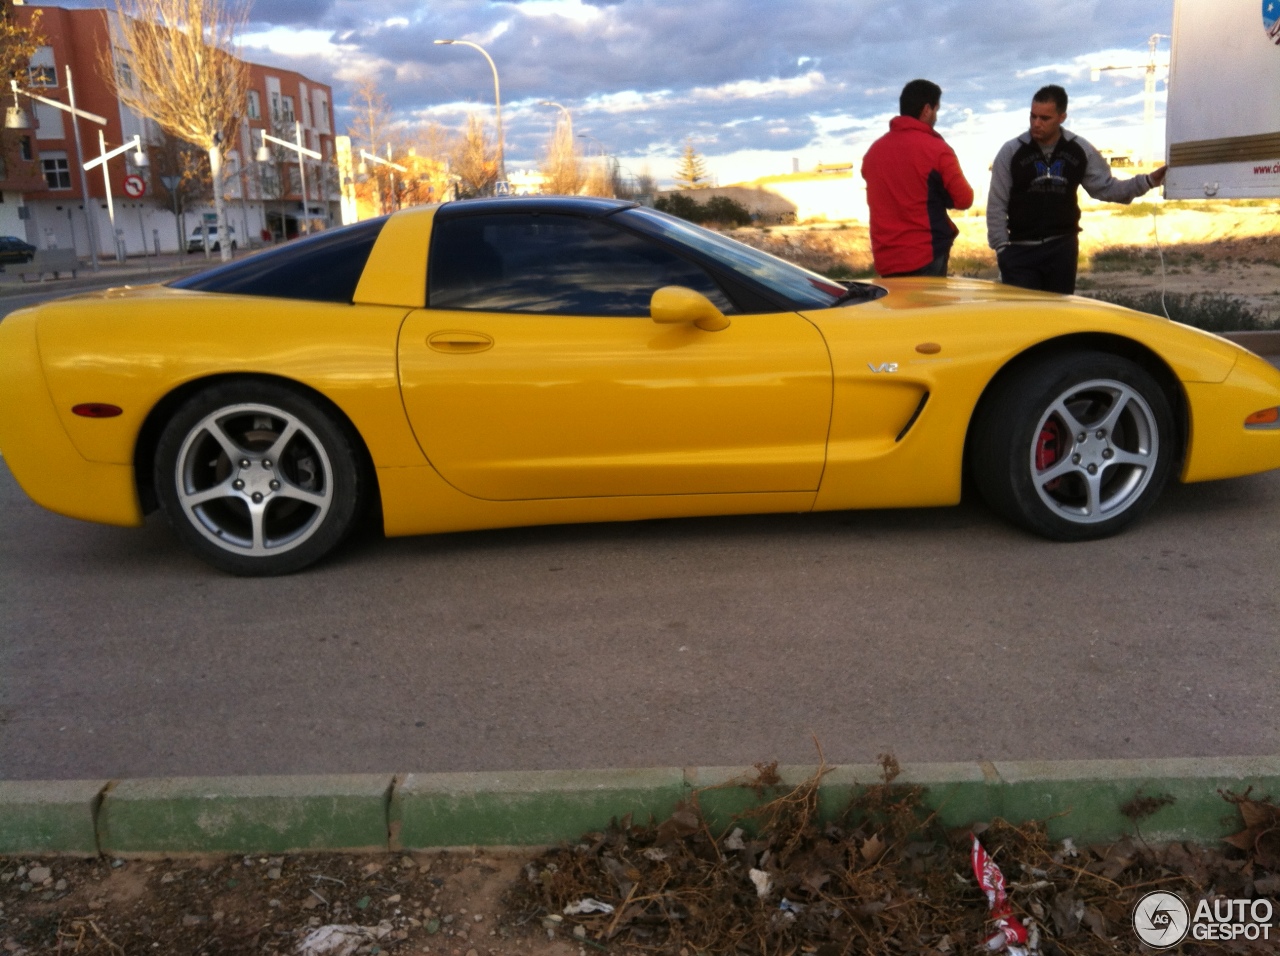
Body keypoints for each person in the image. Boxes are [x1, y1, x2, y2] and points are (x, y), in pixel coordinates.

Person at [987, 84, 1167, 294]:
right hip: (1019, 252)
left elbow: (1106, 188)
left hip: (1061, 250)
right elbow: (996, 204)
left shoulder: (1079, 149)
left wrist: (1147, 182)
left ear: (1062, 117)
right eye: (1033, 116)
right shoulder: (1011, 152)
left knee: (1060, 320)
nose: (1036, 124)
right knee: (1024, 321)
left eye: (1045, 118)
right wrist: (1002, 249)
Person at [861, 79, 974, 277]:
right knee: (929, 309)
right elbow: (964, 199)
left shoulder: (874, 152)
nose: (936, 118)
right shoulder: (936, 149)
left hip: (887, 261)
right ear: (927, 109)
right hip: (926, 256)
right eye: (936, 111)